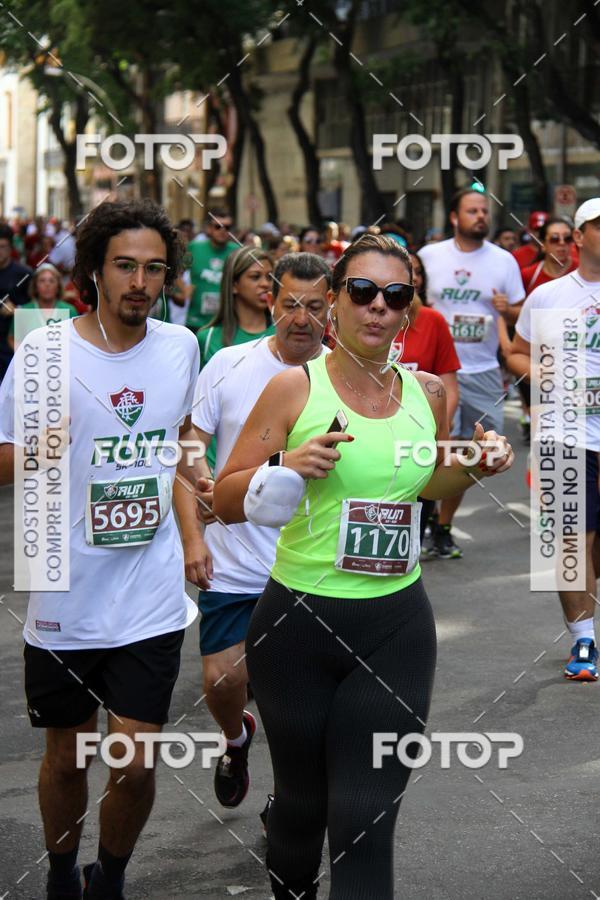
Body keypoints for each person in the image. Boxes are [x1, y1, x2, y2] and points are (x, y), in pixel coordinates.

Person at [213, 234, 513, 899]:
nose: (379, 306)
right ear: (336, 304)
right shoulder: (294, 389)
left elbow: (425, 483)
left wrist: (473, 466)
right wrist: (285, 466)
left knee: (363, 820)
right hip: (295, 628)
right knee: (303, 809)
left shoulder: (427, 393)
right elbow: (225, 497)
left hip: (395, 627)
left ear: (408, 310)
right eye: (363, 292)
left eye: (396, 295)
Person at [0, 199, 208, 900]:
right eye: (125, 266)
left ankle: (110, 877)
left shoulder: (180, 347)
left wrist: (194, 508)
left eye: (153, 268)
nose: (140, 282)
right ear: (93, 270)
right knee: (66, 758)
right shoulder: (45, 352)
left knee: (136, 761)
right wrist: (39, 449)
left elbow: (183, 440)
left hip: (149, 595)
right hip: (63, 586)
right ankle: (62, 872)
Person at [186, 252, 331, 815]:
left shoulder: (341, 377)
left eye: (315, 307)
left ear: (331, 312)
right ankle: (235, 738)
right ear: (271, 303)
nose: (302, 318)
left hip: (308, 562)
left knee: (294, 702)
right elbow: (192, 440)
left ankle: (285, 802)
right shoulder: (226, 362)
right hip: (233, 558)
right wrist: (195, 518)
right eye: (291, 304)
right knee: (224, 682)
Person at [508, 198, 600, 681]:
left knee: (591, 549)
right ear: (579, 237)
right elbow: (517, 353)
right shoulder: (548, 296)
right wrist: (545, 372)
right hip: (563, 432)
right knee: (569, 541)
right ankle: (583, 640)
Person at [419, 188, 524, 558]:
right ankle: (423, 520)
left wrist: (507, 310)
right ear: (454, 217)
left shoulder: (503, 261)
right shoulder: (430, 256)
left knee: (473, 453)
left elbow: (520, 314)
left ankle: (442, 524)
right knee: (428, 450)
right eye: (472, 210)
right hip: (433, 373)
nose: (481, 216)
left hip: (481, 370)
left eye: (484, 211)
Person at [394, 251, 460, 546]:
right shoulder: (358, 322)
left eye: (416, 272)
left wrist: (437, 431)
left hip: (419, 439)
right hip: (369, 439)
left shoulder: (433, 321)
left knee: (412, 536)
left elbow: (449, 386)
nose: (413, 277)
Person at [197, 246, 274, 366]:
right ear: (234, 285)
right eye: (255, 277)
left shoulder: (283, 333)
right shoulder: (207, 338)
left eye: (270, 277)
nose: (265, 284)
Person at [186, 209, 238, 332]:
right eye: (217, 226)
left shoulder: (236, 252)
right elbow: (176, 271)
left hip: (226, 322)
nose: (223, 230)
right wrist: (182, 290)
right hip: (196, 321)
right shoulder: (194, 248)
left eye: (227, 227)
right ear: (209, 228)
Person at [8, 262, 78, 350]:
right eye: (42, 281)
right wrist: (25, 354)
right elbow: (12, 339)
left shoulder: (69, 310)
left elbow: (76, 341)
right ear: (35, 286)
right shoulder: (24, 311)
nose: (47, 285)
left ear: (58, 286)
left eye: (51, 281)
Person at [0, 223, 31, 383]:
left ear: (10, 247)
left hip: (12, 344)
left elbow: (38, 310)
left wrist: (17, 310)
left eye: (2, 246)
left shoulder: (24, 274)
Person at [521, 217, 577, 295]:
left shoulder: (583, 270)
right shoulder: (528, 275)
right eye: (554, 238)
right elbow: (520, 306)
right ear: (543, 245)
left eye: (567, 238)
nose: (562, 243)